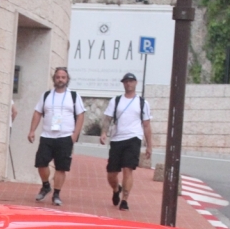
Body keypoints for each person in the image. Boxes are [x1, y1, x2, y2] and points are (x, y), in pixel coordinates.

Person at [27, 67, 86, 206]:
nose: (60, 79)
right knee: (41, 163)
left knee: (61, 167)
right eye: (58, 77)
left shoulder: (73, 96)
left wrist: (74, 135)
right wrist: (32, 130)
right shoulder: (46, 95)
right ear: (54, 79)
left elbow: (80, 115)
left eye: (63, 77)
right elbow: (37, 113)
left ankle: (57, 194)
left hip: (65, 137)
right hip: (47, 136)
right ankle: (46, 185)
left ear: (67, 79)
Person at [99, 72, 153, 212]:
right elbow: (107, 119)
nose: (128, 84)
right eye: (126, 81)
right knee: (111, 173)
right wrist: (104, 132)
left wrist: (149, 146)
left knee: (128, 169)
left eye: (131, 81)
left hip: (133, 138)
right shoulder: (115, 101)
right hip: (117, 139)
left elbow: (146, 125)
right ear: (123, 83)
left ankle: (124, 200)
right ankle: (116, 189)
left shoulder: (142, 103)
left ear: (135, 83)